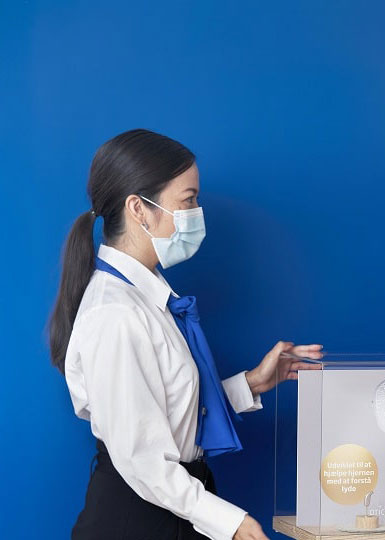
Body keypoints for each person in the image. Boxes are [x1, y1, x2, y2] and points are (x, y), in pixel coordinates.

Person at [49, 129, 323, 540]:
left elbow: (167, 414)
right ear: (139, 209)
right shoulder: (116, 313)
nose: (197, 212)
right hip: (138, 520)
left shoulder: (148, 297)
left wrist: (251, 384)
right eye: (188, 200)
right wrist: (229, 521)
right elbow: (141, 456)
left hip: (170, 508)